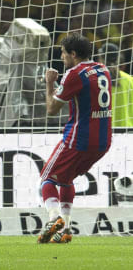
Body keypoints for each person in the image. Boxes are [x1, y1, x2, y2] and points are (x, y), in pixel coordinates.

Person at [38, 33, 112, 244]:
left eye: (63, 52)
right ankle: (66, 230)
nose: (61, 56)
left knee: (47, 179)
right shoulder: (103, 69)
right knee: (66, 179)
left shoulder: (74, 74)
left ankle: (54, 220)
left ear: (73, 54)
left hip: (79, 138)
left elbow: (52, 109)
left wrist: (49, 83)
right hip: (103, 140)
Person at [96, 43, 132, 127]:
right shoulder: (130, 79)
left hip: (103, 130)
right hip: (128, 131)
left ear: (101, 58)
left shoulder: (96, 79)